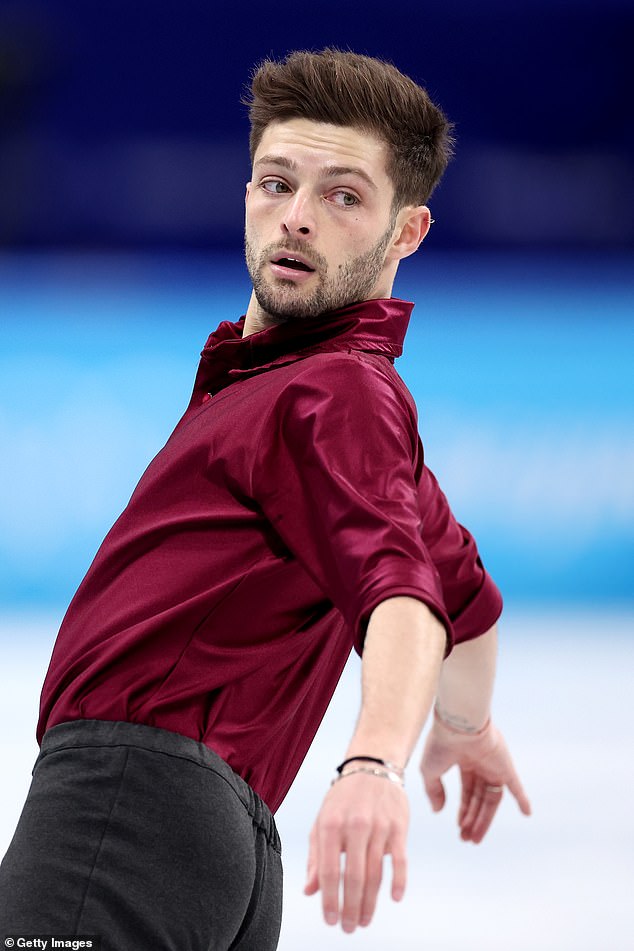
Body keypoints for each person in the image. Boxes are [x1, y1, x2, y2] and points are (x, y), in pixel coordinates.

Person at [0, 48, 530, 949]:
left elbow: (402, 599)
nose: (296, 219)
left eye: (344, 196)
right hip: (219, 851)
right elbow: (459, 605)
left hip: (122, 813)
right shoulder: (335, 410)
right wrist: (464, 721)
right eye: (277, 182)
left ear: (407, 232)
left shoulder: (329, 393)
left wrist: (372, 763)